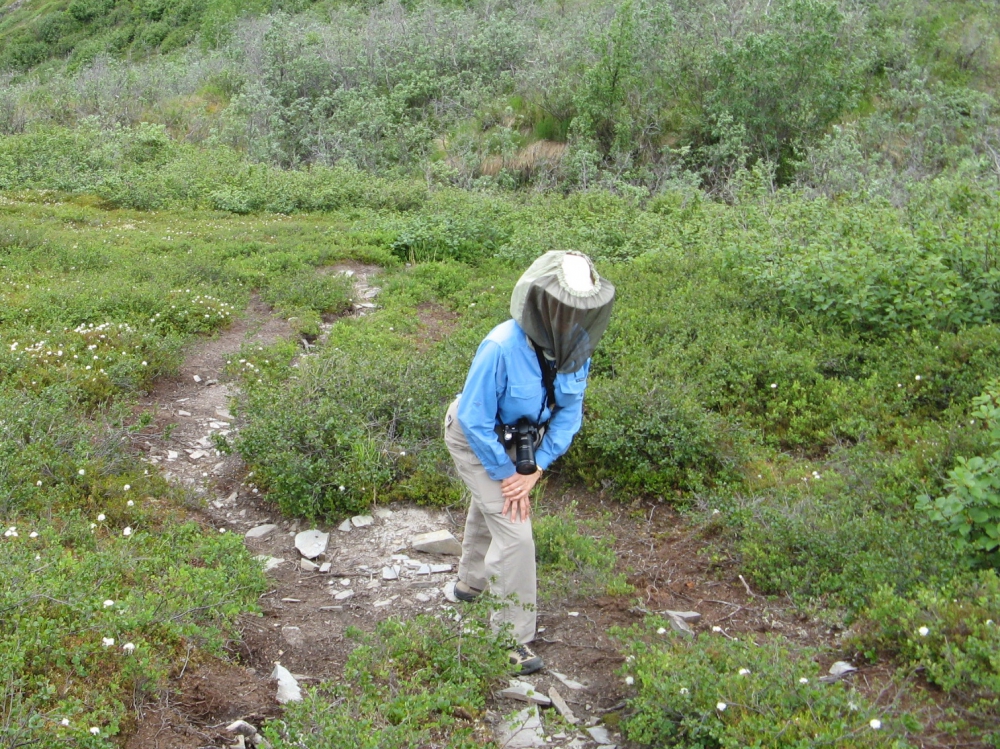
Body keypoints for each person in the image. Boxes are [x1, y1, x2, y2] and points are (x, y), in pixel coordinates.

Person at [443, 250, 615, 674]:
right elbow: (474, 418)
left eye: (577, 310)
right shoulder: (500, 346)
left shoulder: (578, 349)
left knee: (494, 508)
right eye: (560, 307)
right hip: (474, 439)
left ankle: (470, 582)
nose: (567, 317)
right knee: (516, 535)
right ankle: (510, 638)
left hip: (523, 446)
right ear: (540, 302)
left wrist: (536, 468)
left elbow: (569, 414)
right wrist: (507, 476)